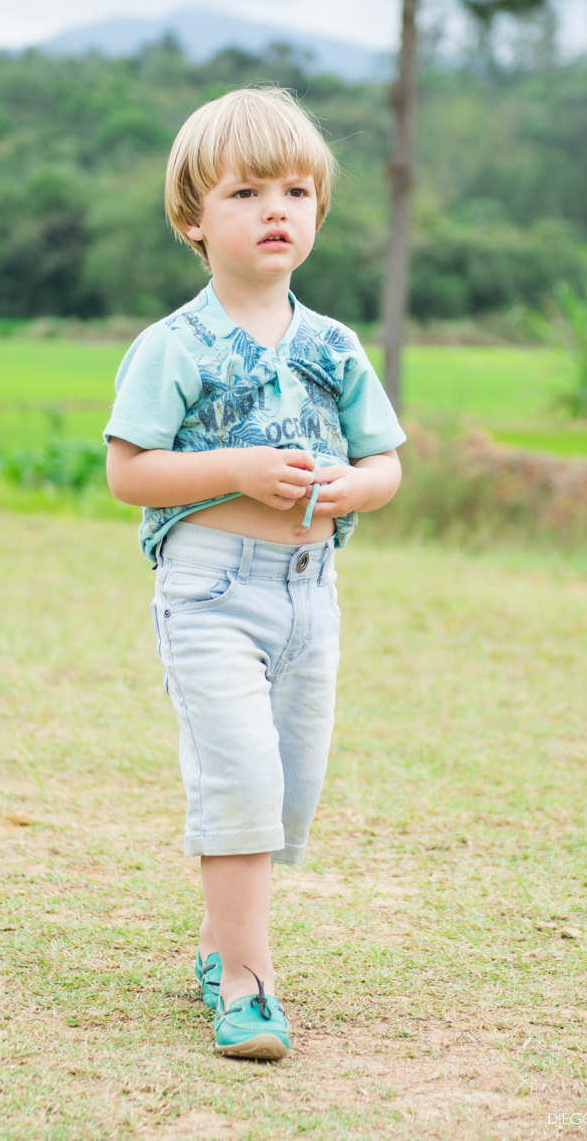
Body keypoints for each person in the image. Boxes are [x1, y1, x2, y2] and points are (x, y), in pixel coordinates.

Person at [103, 87, 404, 1062]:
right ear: (192, 219)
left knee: (285, 793)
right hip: (212, 592)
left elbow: (386, 465)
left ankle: (216, 943)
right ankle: (247, 984)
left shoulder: (334, 347)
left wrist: (352, 489)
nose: (275, 210)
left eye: (295, 191)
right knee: (239, 778)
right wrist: (237, 469)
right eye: (244, 193)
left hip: (309, 596)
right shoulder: (175, 346)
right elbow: (129, 472)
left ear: (318, 210)